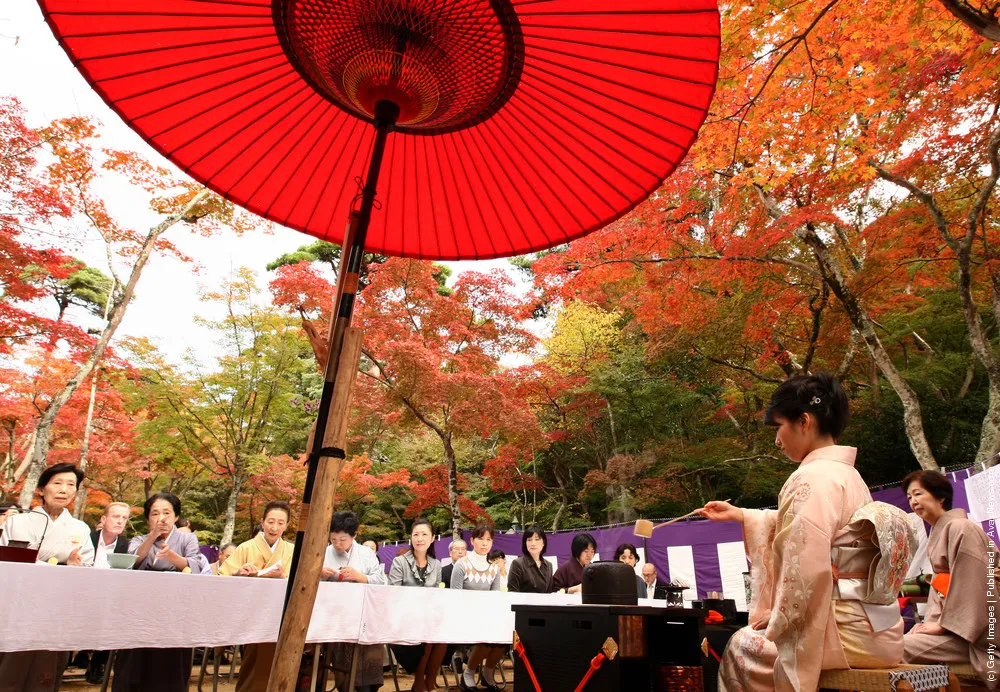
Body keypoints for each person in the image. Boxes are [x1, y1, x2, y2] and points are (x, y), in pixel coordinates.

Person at [698, 373, 914, 691]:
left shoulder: (810, 478)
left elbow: (806, 566)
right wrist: (742, 516)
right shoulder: (848, 475)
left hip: (841, 633)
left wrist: (780, 616)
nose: (776, 439)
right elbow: (811, 537)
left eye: (779, 427)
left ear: (803, 421)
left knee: (741, 645)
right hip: (880, 628)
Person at [0, 463, 94, 691]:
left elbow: (88, 565)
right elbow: (12, 558)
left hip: (57, 605)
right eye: (57, 483)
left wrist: (74, 567)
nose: (64, 489)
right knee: (11, 664)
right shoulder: (18, 521)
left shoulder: (80, 528)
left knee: (48, 665)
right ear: (42, 489)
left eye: (71, 485)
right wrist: (58, 567)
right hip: (20, 602)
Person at [902, 470, 998, 689]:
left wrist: (940, 625)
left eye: (918, 494)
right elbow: (942, 588)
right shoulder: (941, 531)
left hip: (976, 633)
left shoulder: (961, 528)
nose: (913, 501)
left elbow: (972, 583)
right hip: (955, 627)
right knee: (901, 642)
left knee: (898, 648)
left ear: (940, 496)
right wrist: (930, 624)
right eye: (909, 497)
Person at [113, 492, 204, 691]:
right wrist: (153, 536)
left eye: (167, 513)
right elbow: (132, 562)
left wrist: (172, 556)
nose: (161, 518)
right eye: (155, 513)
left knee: (170, 660)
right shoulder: (139, 538)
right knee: (135, 656)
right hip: (141, 605)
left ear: (176, 516)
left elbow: (195, 566)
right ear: (148, 518)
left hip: (175, 606)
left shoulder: (187, 539)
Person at [218, 500, 296, 692]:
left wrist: (283, 576)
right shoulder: (245, 547)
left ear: (287, 525)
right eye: (270, 521)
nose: (274, 527)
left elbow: (300, 582)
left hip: (280, 614)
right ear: (262, 522)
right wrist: (240, 573)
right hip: (251, 613)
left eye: (280, 523)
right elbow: (222, 577)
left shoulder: (292, 550)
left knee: (281, 663)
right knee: (254, 661)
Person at [322, 511, 386, 692]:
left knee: (368, 655)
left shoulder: (366, 553)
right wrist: (320, 575)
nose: (337, 544)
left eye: (342, 539)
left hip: (364, 612)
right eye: (333, 539)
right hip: (336, 614)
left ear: (354, 535)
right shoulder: (326, 552)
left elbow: (380, 581)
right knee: (343, 655)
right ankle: (345, 687)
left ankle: (369, 687)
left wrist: (360, 577)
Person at [388, 518, 447, 692]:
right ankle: (419, 683)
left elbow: (436, 594)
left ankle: (430, 681)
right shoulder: (400, 562)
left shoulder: (436, 564)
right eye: (416, 534)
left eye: (424, 534)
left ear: (432, 538)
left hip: (428, 617)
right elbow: (393, 594)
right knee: (428, 635)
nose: (419, 538)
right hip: (405, 618)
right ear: (411, 538)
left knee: (444, 637)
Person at [451, 524, 505, 691]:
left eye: (488, 539)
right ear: (472, 540)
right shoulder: (461, 565)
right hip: (465, 618)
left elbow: (495, 598)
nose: (484, 543)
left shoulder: (494, 568)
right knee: (484, 638)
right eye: (481, 539)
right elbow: (455, 597)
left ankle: (487, 674)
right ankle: (468, 674)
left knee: (504, 638)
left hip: (486, 617)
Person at [507, 524, 553, 594]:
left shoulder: (549, 565)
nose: (533, 543)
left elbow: (549, 593)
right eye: (529, 540)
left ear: (543, 542)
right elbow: (512, 592)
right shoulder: (517, 564)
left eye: (537, 539)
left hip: (543, 604)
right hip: (523, 604)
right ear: (525, 543)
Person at [91, 502, 131, 569]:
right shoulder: (88, 539)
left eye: (124, 518)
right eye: (116, 516)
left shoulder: (127, 546)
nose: (120, 521)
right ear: (103, 519)